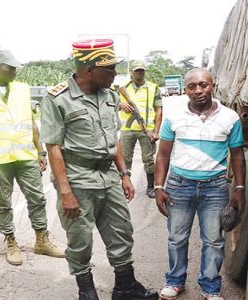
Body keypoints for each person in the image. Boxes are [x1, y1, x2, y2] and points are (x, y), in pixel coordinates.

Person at [41, 39, 158, 300]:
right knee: (80, 240)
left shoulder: (110, 96)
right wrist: (66, 191)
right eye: (109, 70)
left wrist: (125, 174)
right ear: (88, 70)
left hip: (108, 176)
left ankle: (125, 288)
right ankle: (87, 291)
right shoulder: (58, 98)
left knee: (122, 232)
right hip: (78, 179)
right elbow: (54, 148)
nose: (115, 74)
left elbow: (113, 137)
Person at [0, 49, 65, 266]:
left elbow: (30, 122)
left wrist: (40, 151)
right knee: (3, 203)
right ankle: (10, 241)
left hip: (25, 156)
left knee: (37, 198)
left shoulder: (22, 89)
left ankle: (42, 240)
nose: (15, 71)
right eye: (9, 68)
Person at [153, 68, 246, 300]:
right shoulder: (174, 117)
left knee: (214, 240)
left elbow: (237, 155)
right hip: (179, 185)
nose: (198, 91)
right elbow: (163, 155)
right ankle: (175, 281)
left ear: (212, 85)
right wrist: (158, 187)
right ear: (186, 91)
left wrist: (239, 188)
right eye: (192, 87)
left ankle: (211, 288)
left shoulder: (230, 117)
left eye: (203, 85)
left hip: (215, 187)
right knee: (177, 237)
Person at [118, 61, 163, 198]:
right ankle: (125, 185)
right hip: (127, 129)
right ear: (132, 71)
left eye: (142, 70)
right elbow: (110, 102)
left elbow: (159, 110)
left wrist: (156, 131)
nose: (139, 73)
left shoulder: (153, 88)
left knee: (148, 159)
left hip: (146, 129)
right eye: (137, 70)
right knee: (124, 159)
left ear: (145, 71)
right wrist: (121, 104)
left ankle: (151, 187)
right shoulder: (122, 87)